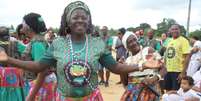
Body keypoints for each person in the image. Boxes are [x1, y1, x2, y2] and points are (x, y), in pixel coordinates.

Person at [0, 1, 160, 101]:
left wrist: (142, 65)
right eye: (76, 17)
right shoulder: (58, 43)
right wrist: (8, 60)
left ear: (89, 21)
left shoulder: (97, 44)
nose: (80, 20)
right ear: (67, 21)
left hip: (91, 98)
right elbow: (39, 66)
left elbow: (116, 68)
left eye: (84, 17)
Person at [18, 13, 57, 101]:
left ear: (29, 27)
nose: (21, 25)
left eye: (23, 23)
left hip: (40, 84)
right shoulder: (38, 40)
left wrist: (32, 95)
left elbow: (42, 70)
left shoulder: (37, 43)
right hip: (41, 83)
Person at [120, 32, 163, 101]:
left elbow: (164, 67)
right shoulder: (127, 61)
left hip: (150, 89)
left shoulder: (148, 50)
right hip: (133, 92)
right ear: (126, 47)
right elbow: (125, 83)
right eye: (130, 42)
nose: (134, 43)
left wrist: (155, 78)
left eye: (135, 39)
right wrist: (121, 68)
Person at [0, 26, 27, 101]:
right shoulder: (15, 42)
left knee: (4, 94)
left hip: (3, 73)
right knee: (16, 93)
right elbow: (27, 52)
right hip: (16, 72)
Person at [164, 24, 191, 91]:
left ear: (180, 30)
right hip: (168, 70)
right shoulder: (169, 41)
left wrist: (183, 72)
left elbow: (187, 57)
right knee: (167, 90)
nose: (174, 31)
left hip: (178, 71)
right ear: (170, 31)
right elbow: (166, 55)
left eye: (176, 29)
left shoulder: (184, 41)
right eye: (172, 29)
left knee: (175, 92)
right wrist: (165, 67)